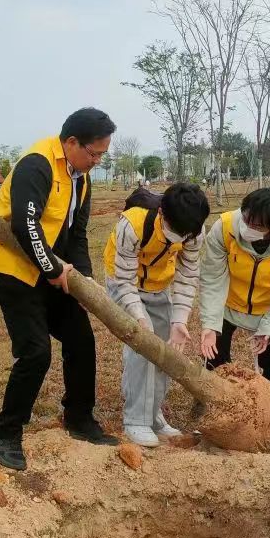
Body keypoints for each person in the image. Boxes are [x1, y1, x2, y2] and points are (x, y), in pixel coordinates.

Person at [0, 108, 119, 470]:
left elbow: (77, 233)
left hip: (49, 267)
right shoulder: (37, 165)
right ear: (71, 142)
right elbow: (25, 225)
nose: (97, 161)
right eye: (94, 153)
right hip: (12, 268)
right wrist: (53, 269)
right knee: (35, 352)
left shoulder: (80, 178)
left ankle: (79, 417)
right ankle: (6, 433)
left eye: (102, 155)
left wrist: (83, 280)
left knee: (80, 339)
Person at [103, 182, 209, 447]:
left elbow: (188, 276)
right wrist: (139, 317)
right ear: (162, 212)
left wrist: (179, 320)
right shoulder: (132, 224)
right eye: (175, 230)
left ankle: (152, 415)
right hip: (123, 282)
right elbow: (125, 279)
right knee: (143, 348)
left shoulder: (193, 230)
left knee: (164, 352)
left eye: (185, 234)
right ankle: (136, 421)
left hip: (158, 286)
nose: (180, 238)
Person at [199, 188, 270, 449]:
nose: (248, 227)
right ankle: (213, 418)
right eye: (246, 218)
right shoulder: (224, 227)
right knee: (215, 358)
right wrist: (211, 324)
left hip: (265, 308)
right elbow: (212, 277)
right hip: (227, 304)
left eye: (257, 226)